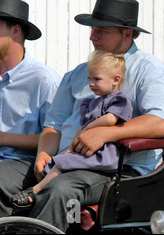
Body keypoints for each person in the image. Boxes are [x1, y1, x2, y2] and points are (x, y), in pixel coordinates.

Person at [0, 0, 164, 232]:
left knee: (59, 190)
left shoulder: (149, 70)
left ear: (127, 34)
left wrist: (105, 134)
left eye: (102, 30)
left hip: (116, 169)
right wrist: (43, 154)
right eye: (93, 29)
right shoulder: (78, 73)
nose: (93, 36)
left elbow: (160, 123)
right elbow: (54, 124)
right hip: (63, 160)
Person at [9, 51, 133, 208]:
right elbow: (81, 129)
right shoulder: (92, 103)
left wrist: (90, 127)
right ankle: (36, 193)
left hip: (103, 154)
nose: (91, 84)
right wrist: (70, 148)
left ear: (116, 80)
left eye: (97, 79)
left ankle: (35, 191)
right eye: (90, 79)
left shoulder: (120, 100)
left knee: (62, 165)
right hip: (86, 150)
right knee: (59, 162)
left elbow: (110, 119)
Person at [0, 0, 61, 160]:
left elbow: (58, 137)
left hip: (23, 162)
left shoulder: (45, 81)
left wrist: (4, 138)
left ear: (15, 31)